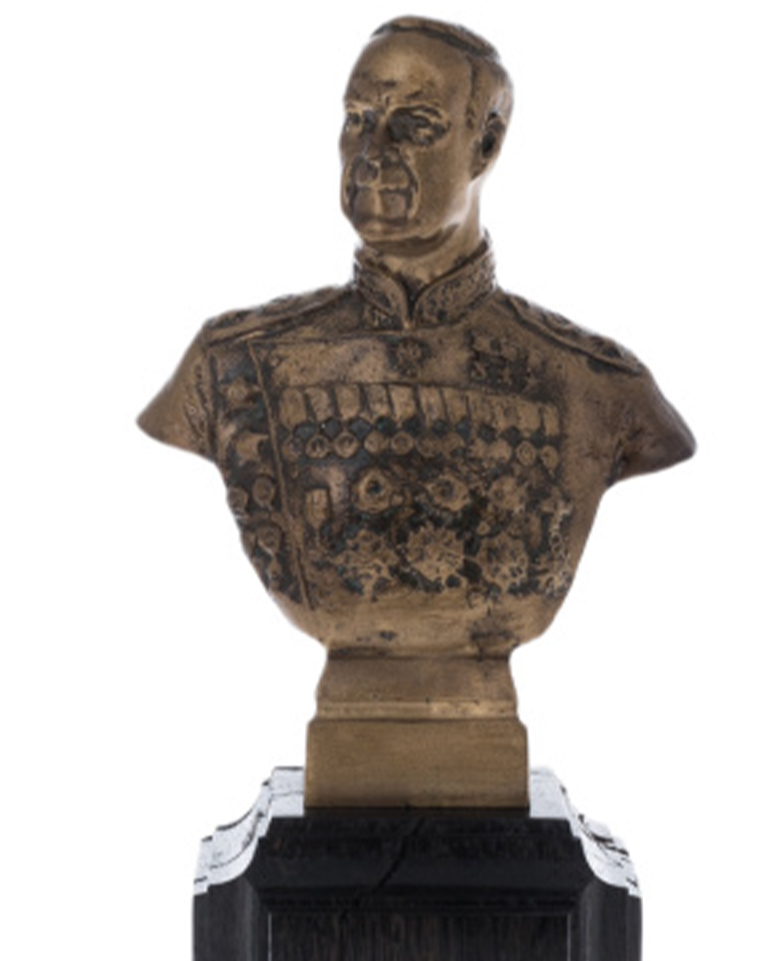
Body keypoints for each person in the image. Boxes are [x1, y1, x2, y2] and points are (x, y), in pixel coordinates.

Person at [139, 18, 694, 806]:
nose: (371, 152)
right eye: (357, 119)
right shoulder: (232, 365)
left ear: (486, 144)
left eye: (415, 124)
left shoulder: (595, 387)